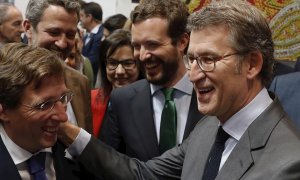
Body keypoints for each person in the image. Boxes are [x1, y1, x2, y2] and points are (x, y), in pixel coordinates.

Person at [58, 1, 300, 179]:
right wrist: (67, 130)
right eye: (191, 59)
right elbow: (144, 174)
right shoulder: (210, 126)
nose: (193, 75)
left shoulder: (289, 163)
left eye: (208, 59)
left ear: (252, 64)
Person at [99, 0, 203, 161]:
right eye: (137, 46)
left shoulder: (211, 95)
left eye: (152, 45)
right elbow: (108, 166)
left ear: (182, 42)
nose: (142, 56)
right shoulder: (122, 100)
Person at [0, 43, 96, 179]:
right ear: (3, 111)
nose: (63, 117)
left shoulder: (78, 156)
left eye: (63, 98)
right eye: (44, 105)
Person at [23, 0, 93, 133]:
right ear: (28, 28)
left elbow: (87, 146)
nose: (62, 43)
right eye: (54, 32)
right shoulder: (5, 80)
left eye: (70, 35)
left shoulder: (80, 82)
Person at [92, 29, 142, 137]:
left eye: (128, 63)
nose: (119, 71)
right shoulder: (91, 100)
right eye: (112, 63)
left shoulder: (151, 104)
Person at [80, 2, 104, 82]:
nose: (80, 19)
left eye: (82, 15)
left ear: (89, 17)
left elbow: (92, 61)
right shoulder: (87, 34)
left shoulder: (101, 35)